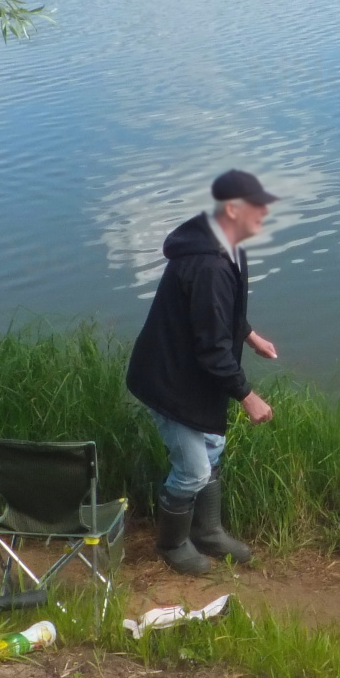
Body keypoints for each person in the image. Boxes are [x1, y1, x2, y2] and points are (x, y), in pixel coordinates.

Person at [126, 169, 280, 574]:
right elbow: (211, 349)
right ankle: (172, 544)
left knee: (212, 449)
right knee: (192, 469)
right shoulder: (209, 265)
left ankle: (208, 531)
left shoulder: (229, 246)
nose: (264, 215)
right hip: (168, 380)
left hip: (191, 372)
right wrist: (248, 397)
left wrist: (249, 336)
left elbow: (218, 315)